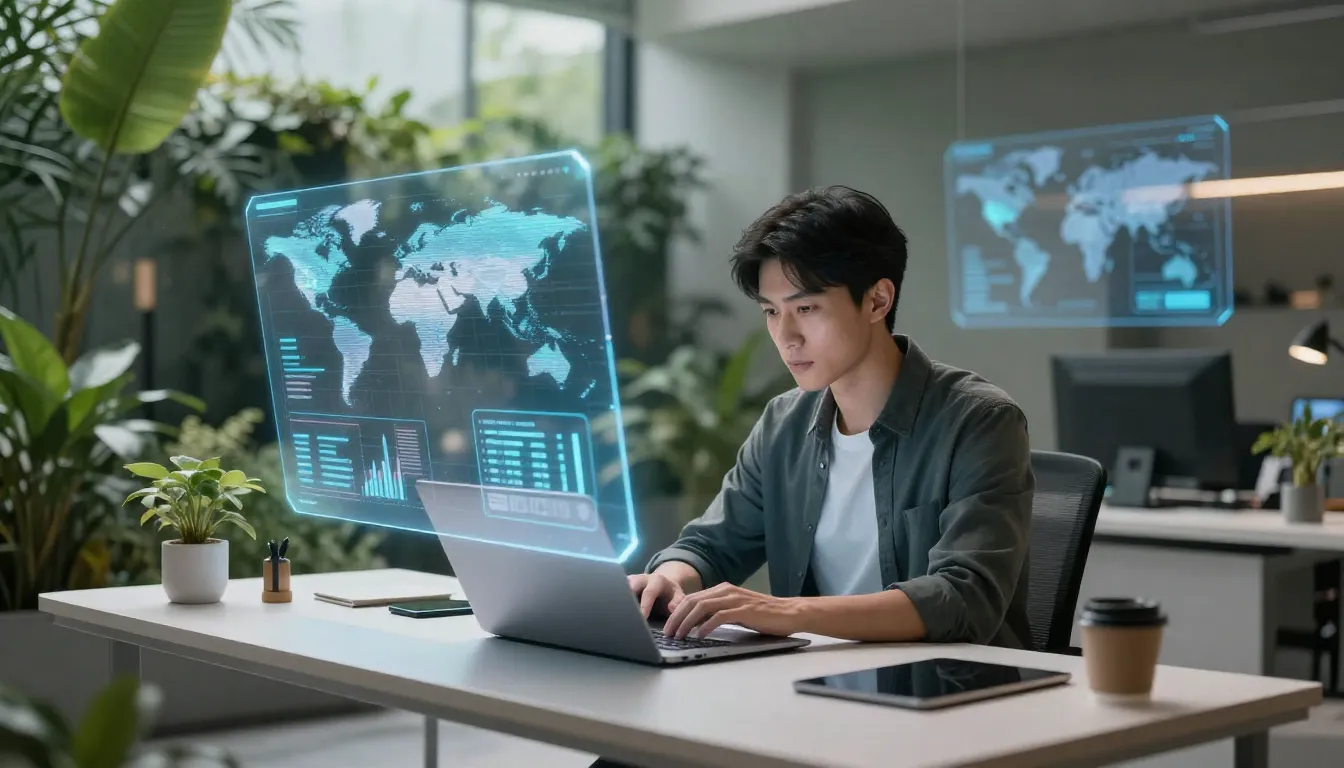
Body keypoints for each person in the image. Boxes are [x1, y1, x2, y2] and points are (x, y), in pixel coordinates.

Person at [632, 184, 1034, 648]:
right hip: (816, 687)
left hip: (948, 693)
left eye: (806, 308)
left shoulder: (980, 422)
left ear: (878, 301)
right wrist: (671, 576)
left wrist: (788, 612)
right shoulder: (783, 423)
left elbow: (964, 599)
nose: (786, 336)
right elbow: (711, 545)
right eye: (771, 311)